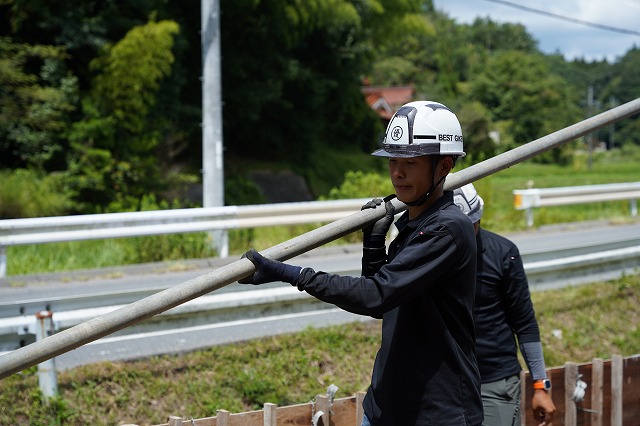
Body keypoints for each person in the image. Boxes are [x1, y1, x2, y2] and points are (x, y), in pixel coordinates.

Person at [239, 101, 483, 425]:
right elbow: (383, 305)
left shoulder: (448, 229)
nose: (397, 172)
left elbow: (375, 294)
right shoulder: (412, 224)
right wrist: (373, 243)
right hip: (385, 407)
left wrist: (290, 273)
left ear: (444, 167)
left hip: (435, 414)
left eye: (410, 162)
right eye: (392, 160)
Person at [453, 183, 556, 426]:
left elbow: (525, 323)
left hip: (494, 383)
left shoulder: (502, 254)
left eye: (472, 226)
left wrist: (540, 384)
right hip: (444, 385)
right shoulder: (430, 255)